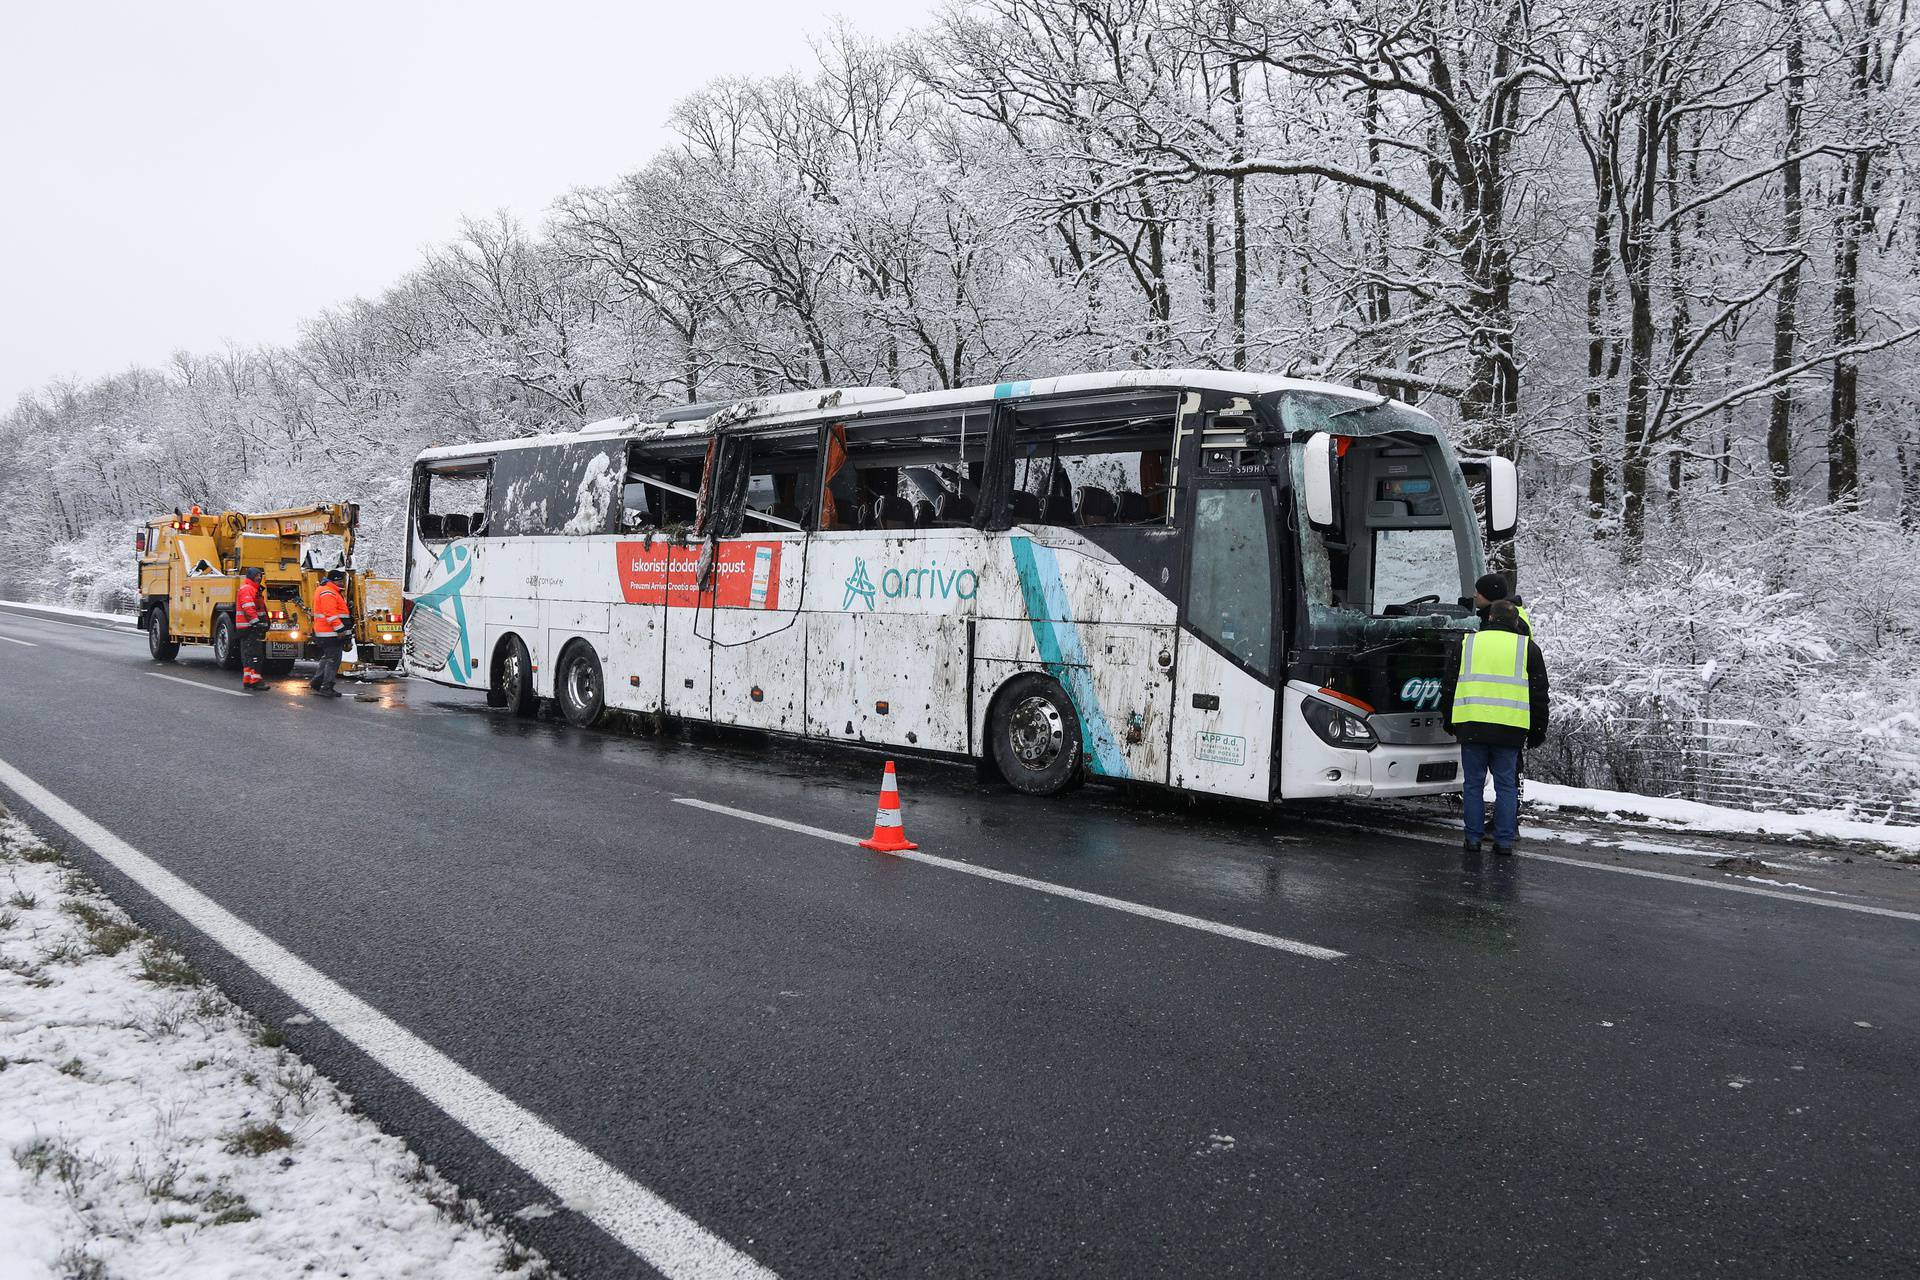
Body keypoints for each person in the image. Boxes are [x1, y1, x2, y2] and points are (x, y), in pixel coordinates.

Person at [1443, 598, 1549, 855]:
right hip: (1510, 730)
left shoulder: (1467, 644)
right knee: (1505, 787)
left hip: (1471, 725)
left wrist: (1449, 720)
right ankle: (1504, 841)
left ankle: (1473, 839)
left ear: (1490, 618)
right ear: (1516, 621)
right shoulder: (1528, 649)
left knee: (1472, 785)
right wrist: (1537, 731)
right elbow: (1539, 694)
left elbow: (1449, 685)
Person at [308, 568, 350, 698]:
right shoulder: (328, 592)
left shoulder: (329, 591)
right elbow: (330, 613)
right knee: (333, 659)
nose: (343, 583)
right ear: (335, 580)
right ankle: (327, 686)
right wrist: (340, 629)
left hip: (326, 632)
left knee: (327, 657)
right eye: (341, 580)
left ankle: (317, 681)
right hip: (330, 633)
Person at [235, 566, 268, 689]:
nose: (259, 578)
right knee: (255, 655)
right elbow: (248, 607)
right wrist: (256, 623)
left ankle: (248, 680)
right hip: (250, 628)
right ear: (251, 577)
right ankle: (255, 681)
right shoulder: (248, 589)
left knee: (250, 655)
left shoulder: (252, 589)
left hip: (249, 628)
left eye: (260, 576)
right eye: (256, 576)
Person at [1470, 572, 1533, 636]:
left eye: (1479, 592)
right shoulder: (1506, 612)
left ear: (1490, 596)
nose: (1474, 595)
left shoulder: (1505, 619)